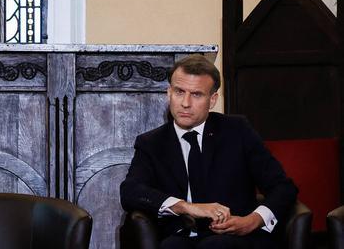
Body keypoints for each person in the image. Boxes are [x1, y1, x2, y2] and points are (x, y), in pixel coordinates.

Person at [120, 55, 297, 249]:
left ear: (212, 100)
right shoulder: (151, 143)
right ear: (168, 93)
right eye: (179, 92)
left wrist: (252, 221)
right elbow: (130, 191)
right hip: (181, 235)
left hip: (235, 236)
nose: (185, 103)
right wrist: (186, 207)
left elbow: (283, 188)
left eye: (196, 95)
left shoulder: (237, 131)